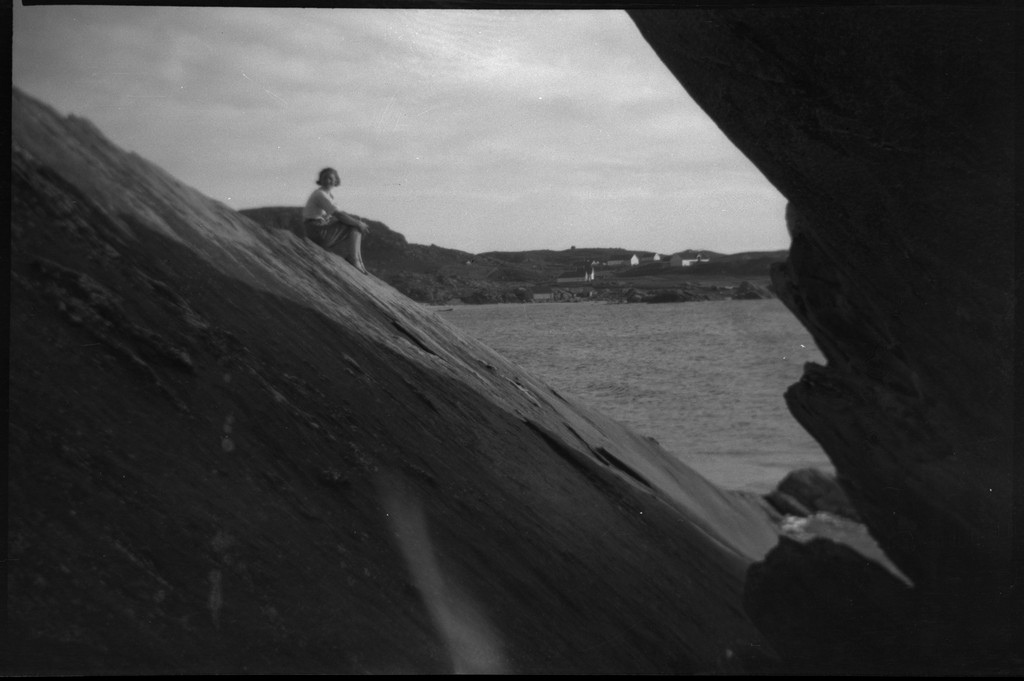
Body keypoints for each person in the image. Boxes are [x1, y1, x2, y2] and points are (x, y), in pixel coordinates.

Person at [301, 167, 369, 273]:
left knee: (355, 224)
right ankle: (355, 260)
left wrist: (357, 222)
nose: (328, 181)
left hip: (319, 229)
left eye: (331, 178)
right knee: (355, 225)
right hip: (316, 231)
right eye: (325, 178)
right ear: (320, 180)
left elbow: (338, 215)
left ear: (336, 181)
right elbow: (339, 215)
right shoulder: (320, 194)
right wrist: (358, 223)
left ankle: (358, 260)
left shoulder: (329, 195)